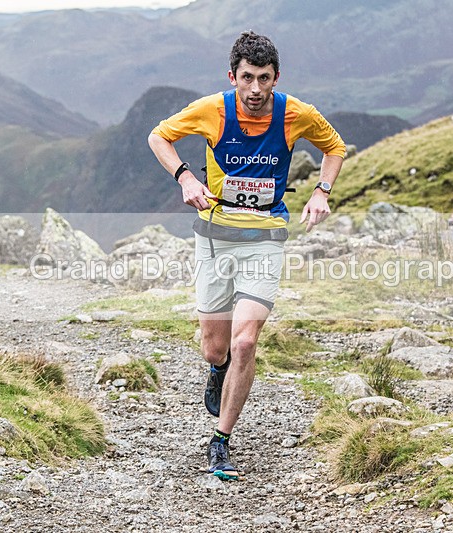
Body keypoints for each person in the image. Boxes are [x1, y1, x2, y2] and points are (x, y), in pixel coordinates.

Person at [148, 31, 345, 480]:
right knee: (215, 347)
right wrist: (184, 177)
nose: (256, 90)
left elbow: (335, 147)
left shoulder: (296, 114)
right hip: (215, 235)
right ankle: (218, 370)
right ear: (232, 76)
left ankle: (221, 441)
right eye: (247, 79)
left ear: (277, 78)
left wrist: (321, 191)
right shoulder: (212, 110)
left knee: (245, 341)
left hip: (266, 234)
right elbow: (158, 137)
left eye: (264, 79)